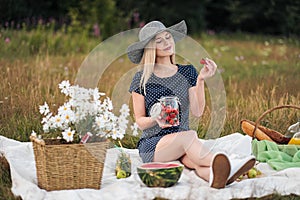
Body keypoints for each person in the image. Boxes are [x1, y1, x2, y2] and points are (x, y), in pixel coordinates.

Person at [128, 20, 255, 189]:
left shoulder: (187, 72)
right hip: (154, 145)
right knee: (189, 136)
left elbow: (197, 111)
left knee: (193, 162)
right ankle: (231, 163)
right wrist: (155, 119)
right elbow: (140, 121)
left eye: (168, 37)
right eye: (159, 41)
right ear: (151, 49)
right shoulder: (141, 79)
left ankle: (215, 177)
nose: (167, 42)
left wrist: (201, 81)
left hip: (181, 141)